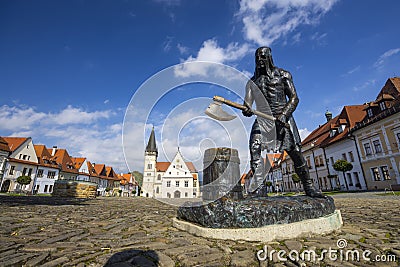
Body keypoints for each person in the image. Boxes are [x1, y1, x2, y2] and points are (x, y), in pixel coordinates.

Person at [243, 47, 324, 198]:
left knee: (296, 153)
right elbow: (247, 104)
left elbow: (294, 98)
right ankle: (260, 188)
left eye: (262, 57)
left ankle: (309, 186)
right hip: (262, 120)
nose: (260, 61)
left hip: (283, 119)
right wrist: (246, 110)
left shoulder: (283, 75)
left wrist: (284, 114)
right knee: (254, 148)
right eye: (257, 58)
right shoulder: (252, 82)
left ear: (269, 57)